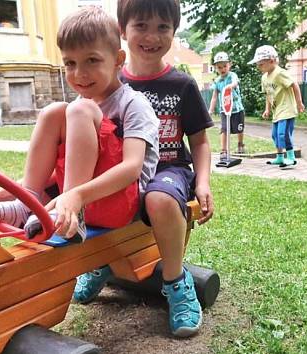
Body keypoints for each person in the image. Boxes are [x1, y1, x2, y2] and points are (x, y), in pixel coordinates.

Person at [72, 0, 215, 338]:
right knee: (90, 192)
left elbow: (200, 142)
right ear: (123, 31)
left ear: (174, 32)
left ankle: (176, 282)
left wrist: (204, 181)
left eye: (162, 27)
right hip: (120, 170)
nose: (152, 36)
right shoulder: (108, 80)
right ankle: (102, 262)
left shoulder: (182, 85)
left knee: (159, 198)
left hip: (168, 169)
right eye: (141, 26)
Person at [0, 6, 159, 243]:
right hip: (83, 197)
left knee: (76, 109)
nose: (79, 73)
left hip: (122, 201)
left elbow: (132, 169)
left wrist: (74, 196)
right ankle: (28, 201)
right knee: (53, 111)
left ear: (118, 60)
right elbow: (68, 163)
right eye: (70, 63)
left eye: (92, 60)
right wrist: (18, 187)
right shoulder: (78, 108)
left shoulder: (133, 104)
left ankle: (69, 212)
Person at [249, 45, 305, 167]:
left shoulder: (280, 73)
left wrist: (299, 103)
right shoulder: (264, 77)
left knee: (283, 134)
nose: (259, 67)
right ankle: (279, 157)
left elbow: (294, 85)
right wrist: (267, 109)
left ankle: (291, 157)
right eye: (257, 65)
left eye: (261, 64)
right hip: (277, 111)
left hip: (287, 109)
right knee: (274, 135)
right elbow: (268, 94)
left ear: (272, 61)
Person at [207, 51, 246, 158]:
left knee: (239, 128)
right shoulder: (217, 81)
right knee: (224, 129)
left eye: (225, 66)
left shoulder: (232, 75)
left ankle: (240, 144)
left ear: (229, 65)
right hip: (224, 110)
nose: (222, 69)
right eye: (219, 67)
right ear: (216, 68)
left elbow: (235, 82)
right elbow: (214, 97)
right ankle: (223, 150)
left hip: (237, 108)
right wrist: (210, 110)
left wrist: (230, 86)